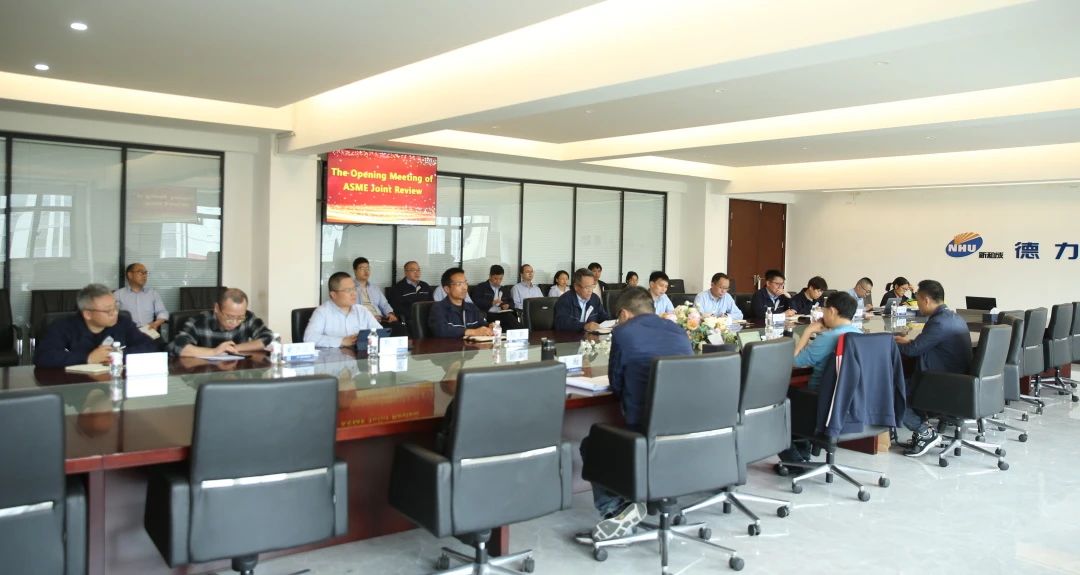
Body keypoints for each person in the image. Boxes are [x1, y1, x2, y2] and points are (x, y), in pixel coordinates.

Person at [578, 287, 692, 543]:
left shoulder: (624, 333)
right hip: (685, 431)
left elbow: (617, 384)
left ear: (624, 314)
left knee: (592, 443)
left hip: (645, 430)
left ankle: (617, 510)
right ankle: (665, 499)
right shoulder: (678, 330)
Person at [774, 291, 864, 465]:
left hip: (819, 400)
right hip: (849, 402)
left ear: (832, 311)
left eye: (824, 310)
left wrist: (808, 332)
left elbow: (793, 362)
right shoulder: (858, 334)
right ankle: (803, 455)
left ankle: (796, 463)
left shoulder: (829, 337)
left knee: (776, 405)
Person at [894, 279, 974, 456]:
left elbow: (913, 351)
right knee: (904, 382)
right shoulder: (954, 318)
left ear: (926, 300)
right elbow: (927, 344)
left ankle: (924, 432)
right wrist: (910, 342)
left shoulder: (938, 322)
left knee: (893, 392)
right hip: (959, 382)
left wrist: (889, 344)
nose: (917, 305)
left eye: (918, 300)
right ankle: (923, 432)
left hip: (941, 383)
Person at [35, 283, 157, 368]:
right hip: (74, 385)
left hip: (113, 382)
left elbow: (149, 346)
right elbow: (43, 356)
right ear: (88, 314)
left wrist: (116, 355)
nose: (115, 313)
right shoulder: (63, 326)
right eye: (108, 310)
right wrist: (88, 358)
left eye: (116, 307)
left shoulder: (123, 322)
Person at [167, 288, 274, 357]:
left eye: (240, 317)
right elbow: (177, 347)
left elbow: (267, 337)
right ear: (217, 308)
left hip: (238, 374)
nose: (234, 322)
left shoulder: (248, 318)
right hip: (205, 374)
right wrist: (215, 351)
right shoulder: (198, 321)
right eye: (230, 317)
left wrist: (233, 348)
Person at [304, 271, 382, 348]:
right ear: (333, 295)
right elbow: (309, 338)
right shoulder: (322, 312)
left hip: (360, 355)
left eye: (354, 289)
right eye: (348, 290)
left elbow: (380, 333)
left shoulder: (362, 311)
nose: (354, 293)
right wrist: (341, 341)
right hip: (333, 355)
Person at [428, 268, 493, 338]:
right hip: (449, 345)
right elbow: (441, 330)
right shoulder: (438, 308)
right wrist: (472, 332)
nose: (464, 288)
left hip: (471, 345)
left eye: (465, 283)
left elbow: (482, 324)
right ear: (447, 289)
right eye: (459, 284)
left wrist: (490, 326)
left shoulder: (472, 308)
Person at [113, 262, 168, 331]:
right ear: (130, 275)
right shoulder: (118, 294)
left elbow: (162, 311)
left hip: (148, 329)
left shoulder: (153, 293)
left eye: (146, 273)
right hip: (128, 331)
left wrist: (156, 323)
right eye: (141, 272)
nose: (144, 276)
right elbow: (111, 315)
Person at [471, 264, 521, 329]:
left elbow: (511, 302)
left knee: (509, 319)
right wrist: (491, 303)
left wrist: (508, 305)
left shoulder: (504, 289)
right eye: (495, 278)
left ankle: (521, 332)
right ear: (490, 276)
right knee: (508, 317)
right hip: (488, 314)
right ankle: (524, 332)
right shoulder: (481, 287)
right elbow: (476, 302)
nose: (498, 281)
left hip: (502, 313)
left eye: (500, 279)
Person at [352, 257, 398, 324]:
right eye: (362, 268)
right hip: (362, 323)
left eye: (368, 268)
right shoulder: (349, 288)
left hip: (380, 321)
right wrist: (369, 318)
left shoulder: (374, 288)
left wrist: (390, 313)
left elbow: (384, 304)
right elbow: (350, 310)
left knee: (400, 327)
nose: (366, 271)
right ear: (355, 271)